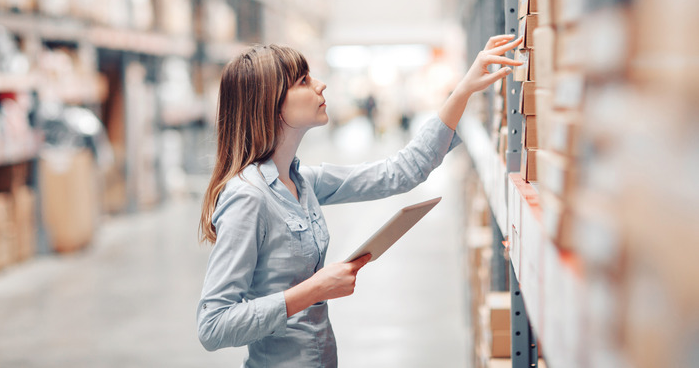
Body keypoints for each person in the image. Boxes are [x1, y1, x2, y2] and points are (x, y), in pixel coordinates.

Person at [197, 35, 523, 367]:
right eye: (304, 81)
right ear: (271, 103)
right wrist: (315, 289)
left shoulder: (303, 181)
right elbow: (213, 325)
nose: (320, 86)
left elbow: (400, 171)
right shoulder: (248, 197)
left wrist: (464, 90)